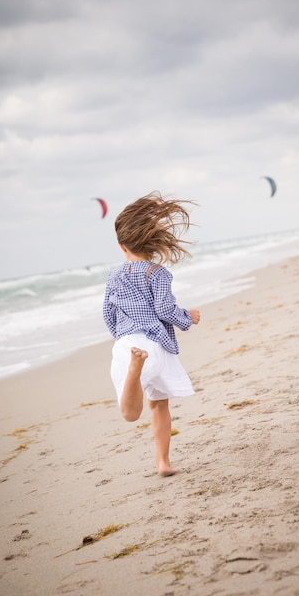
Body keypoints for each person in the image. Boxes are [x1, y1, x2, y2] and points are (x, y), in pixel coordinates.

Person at [103, 192, 200, 477]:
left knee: (129, 411)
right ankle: (163, 462)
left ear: (122, 246)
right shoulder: (157, 273)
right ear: (153, 243)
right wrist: (188, 318)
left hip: (125, 343)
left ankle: (134, 370)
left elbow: (108, 314)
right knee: (157, 406)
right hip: (153, 344)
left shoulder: (114, 276)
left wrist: (121, 336)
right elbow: (165, 309)